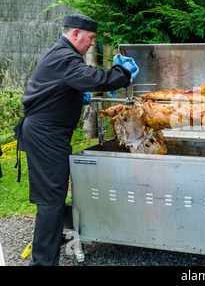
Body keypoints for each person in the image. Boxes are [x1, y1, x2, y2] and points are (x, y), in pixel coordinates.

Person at [13, 14, 137, 266]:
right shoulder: (64, 57)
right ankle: (42, 263)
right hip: (46, 135)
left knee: (54, 195)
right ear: (75, 34)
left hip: (49, 133)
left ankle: (48, 248)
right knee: (51, 199)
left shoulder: (62, 53)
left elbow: (65, 83)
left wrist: (72, 96)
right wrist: (122, 73)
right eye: (90, 38)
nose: (92, 43)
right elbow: (93, 78)